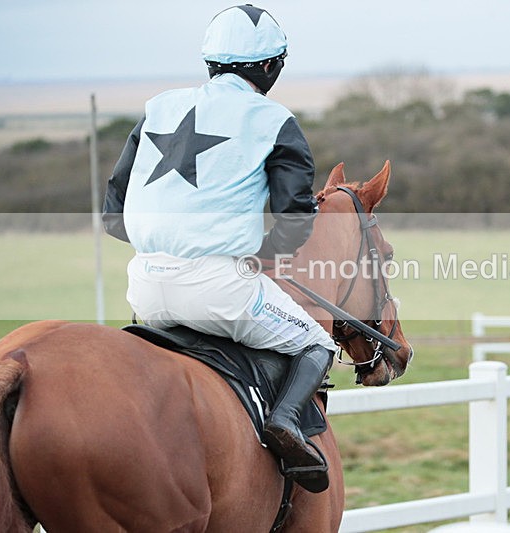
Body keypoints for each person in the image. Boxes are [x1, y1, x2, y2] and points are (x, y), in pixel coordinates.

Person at [102, 4, 335, 493]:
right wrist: (263, 255)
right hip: (218, 289)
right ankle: (286, 423)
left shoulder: (158, 107)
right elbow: (294, 220)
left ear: (210, 62)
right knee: (318, 342)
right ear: (271, 67)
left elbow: (112, 215)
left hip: (144, 291)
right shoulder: (275, 119)